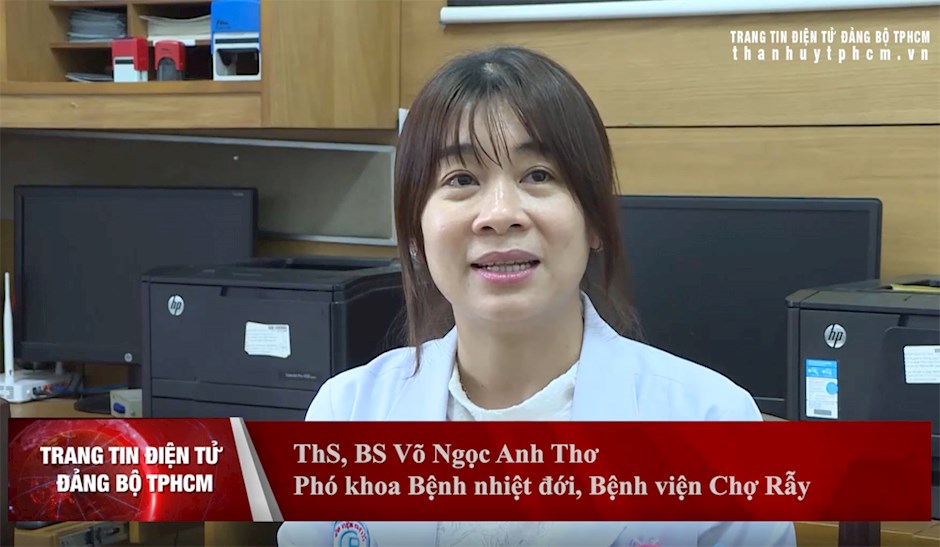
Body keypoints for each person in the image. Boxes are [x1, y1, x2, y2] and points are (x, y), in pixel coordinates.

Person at [277, 46, 796, 547]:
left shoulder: (712, 421)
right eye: (461, 178)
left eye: (538, 175)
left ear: (595, 220)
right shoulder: (347, 415)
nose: (500, 214)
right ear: (416, 231)